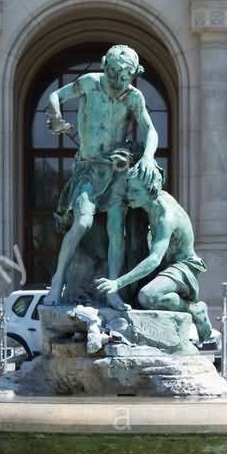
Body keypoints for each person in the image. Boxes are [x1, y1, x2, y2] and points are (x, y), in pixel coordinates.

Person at [43, 44, 161, 310]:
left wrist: (149, 156)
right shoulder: (90, 83)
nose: (119, 80)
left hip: (116, 169)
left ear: (133, 74)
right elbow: (54, 96)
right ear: (105, 66)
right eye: (114, 73)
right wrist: (56, 118)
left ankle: (113, 291)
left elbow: (150, 130)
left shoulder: (134, 97)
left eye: (125, 75)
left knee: (116, 231)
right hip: (88, 167)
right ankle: (57, 280)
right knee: (83, 222)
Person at [93, 164, 214, 345]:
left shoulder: (167, 217)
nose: (129, 195)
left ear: (150, 189)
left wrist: (117, 282)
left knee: (148, 297)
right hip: (166, 267)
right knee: (135, 297)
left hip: (183, 268)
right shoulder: (153, 203)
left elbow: (154, 259)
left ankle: (193, 309)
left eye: (134, 190)